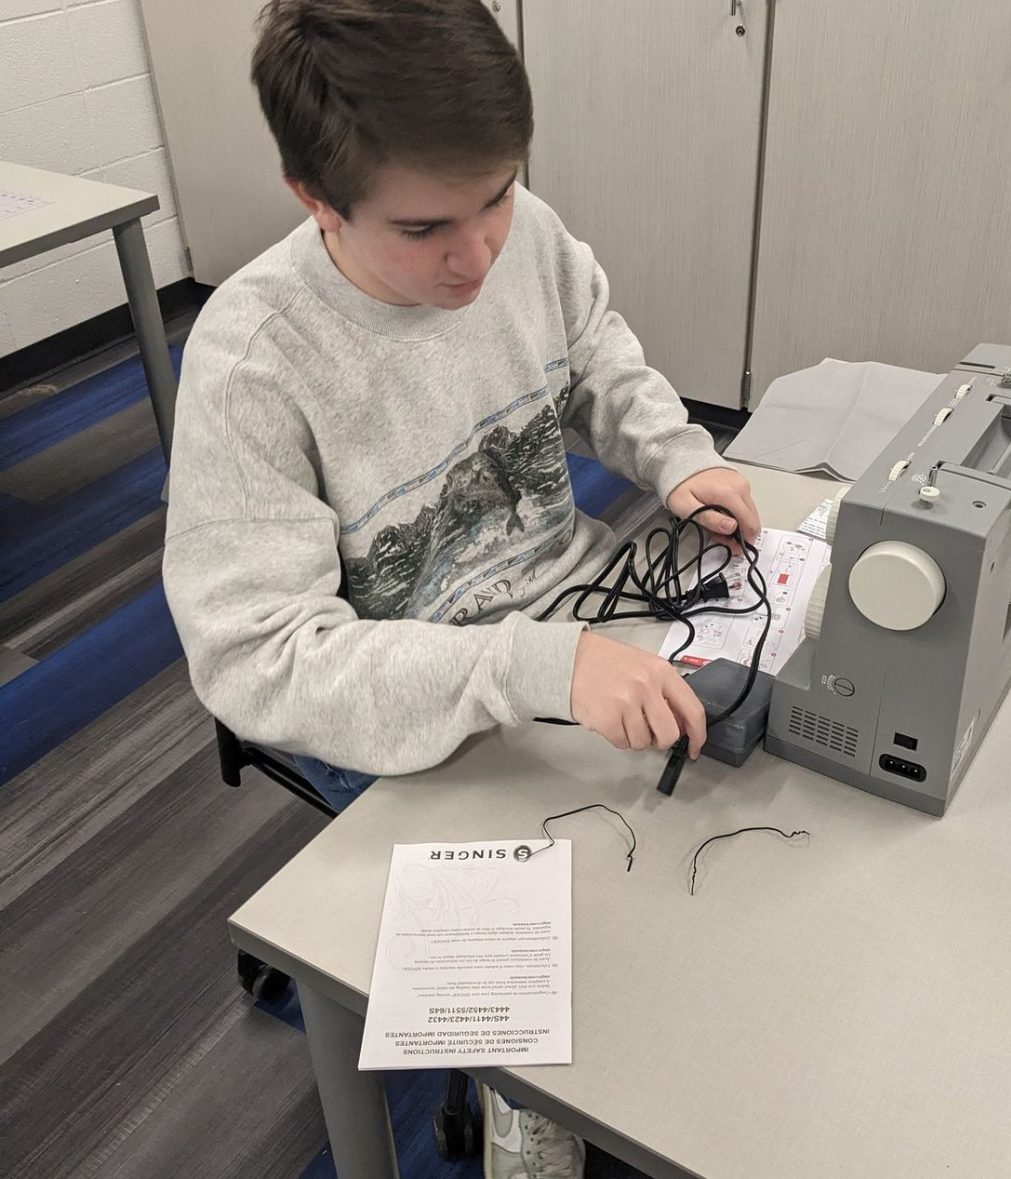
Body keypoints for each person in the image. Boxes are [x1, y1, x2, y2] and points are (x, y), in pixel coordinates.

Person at [162, 2, 761, 1175]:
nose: (481, 253)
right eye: (427, 225)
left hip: (573, 618)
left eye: (498, 196)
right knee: (575, 1008)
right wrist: (535, 669)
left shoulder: (514, 231)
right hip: (396, 709)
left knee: (730, 849)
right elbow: (263, 661)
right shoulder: (253, 365)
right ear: (312, 199)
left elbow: (598, 356)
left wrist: (677, 457)